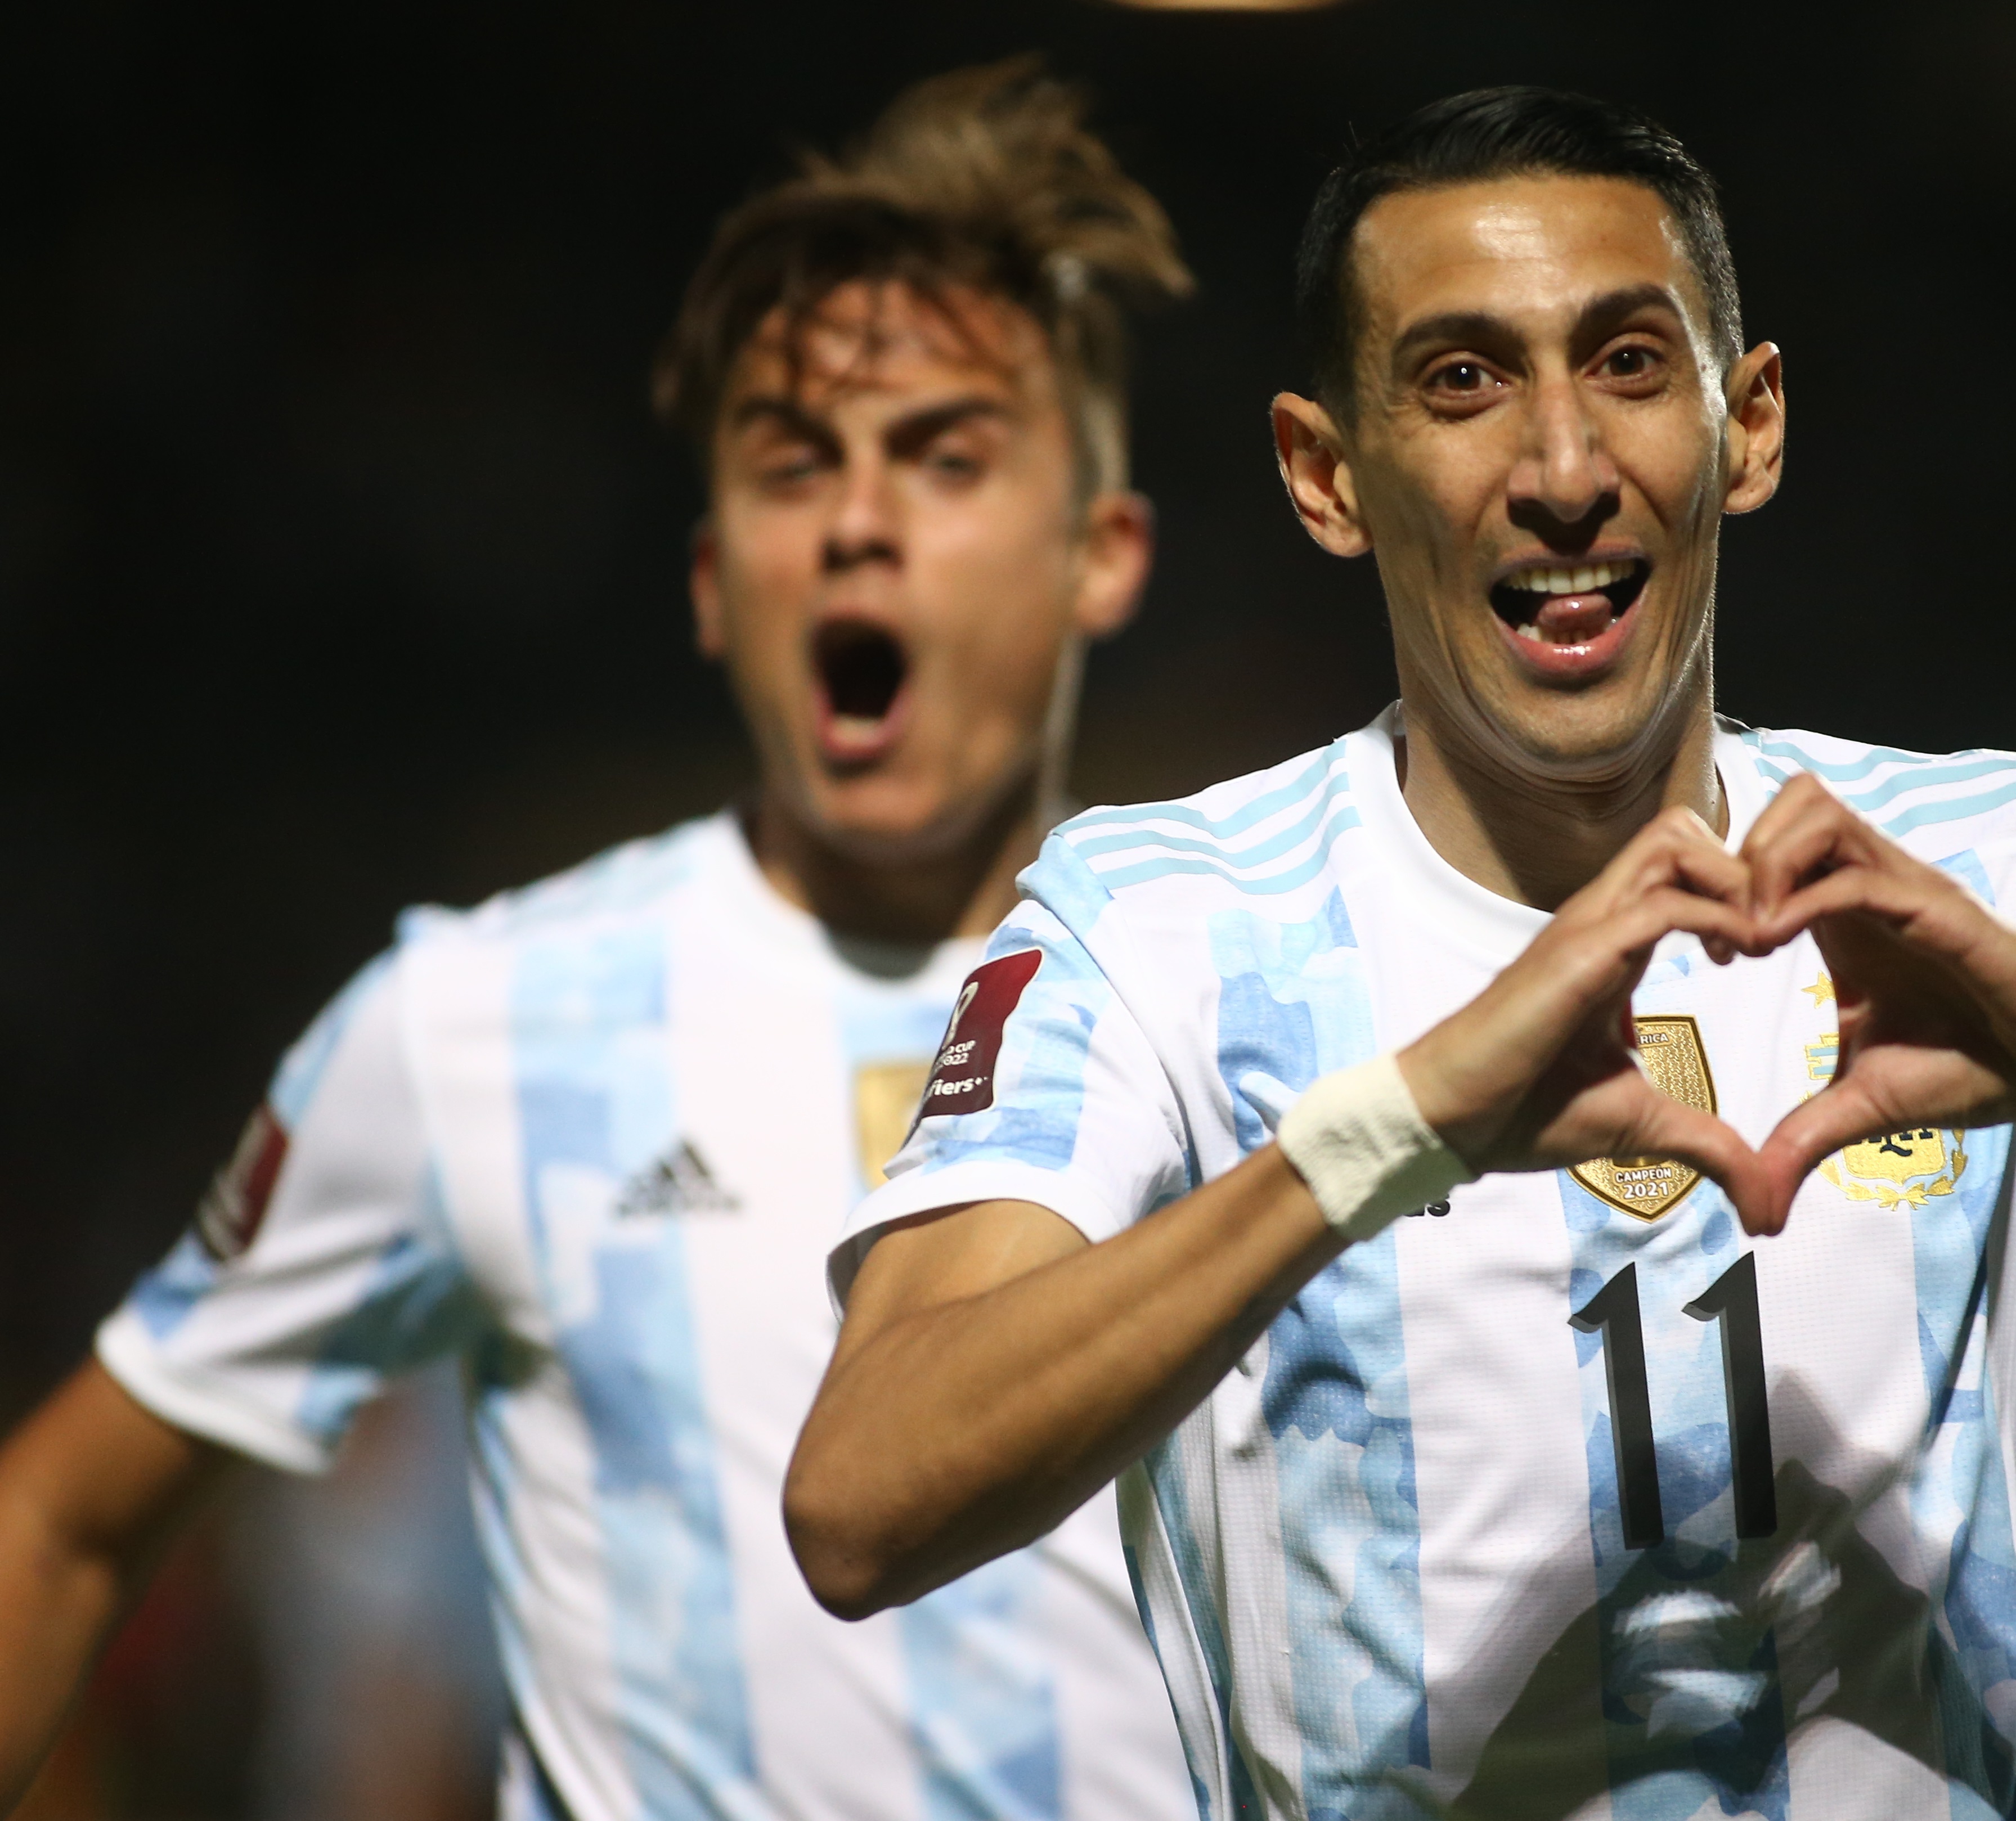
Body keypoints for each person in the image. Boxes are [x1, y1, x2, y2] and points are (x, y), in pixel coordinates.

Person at [783, 85, 2016, 1820]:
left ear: (1747, 421)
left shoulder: (2015, 867)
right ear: (1325, 473)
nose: (1566, 464)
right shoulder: (1162, 929)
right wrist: (1384, 1134)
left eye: (1627, 363)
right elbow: (865, 1499)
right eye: (1460, 381)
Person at [0, 57, 1197, 1821]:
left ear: (1100, 554)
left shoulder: (1247, 988)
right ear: (717, 581)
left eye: (947, 456)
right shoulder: (484, 1022)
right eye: (797, 464)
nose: (860, 521)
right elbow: (61, 1516)